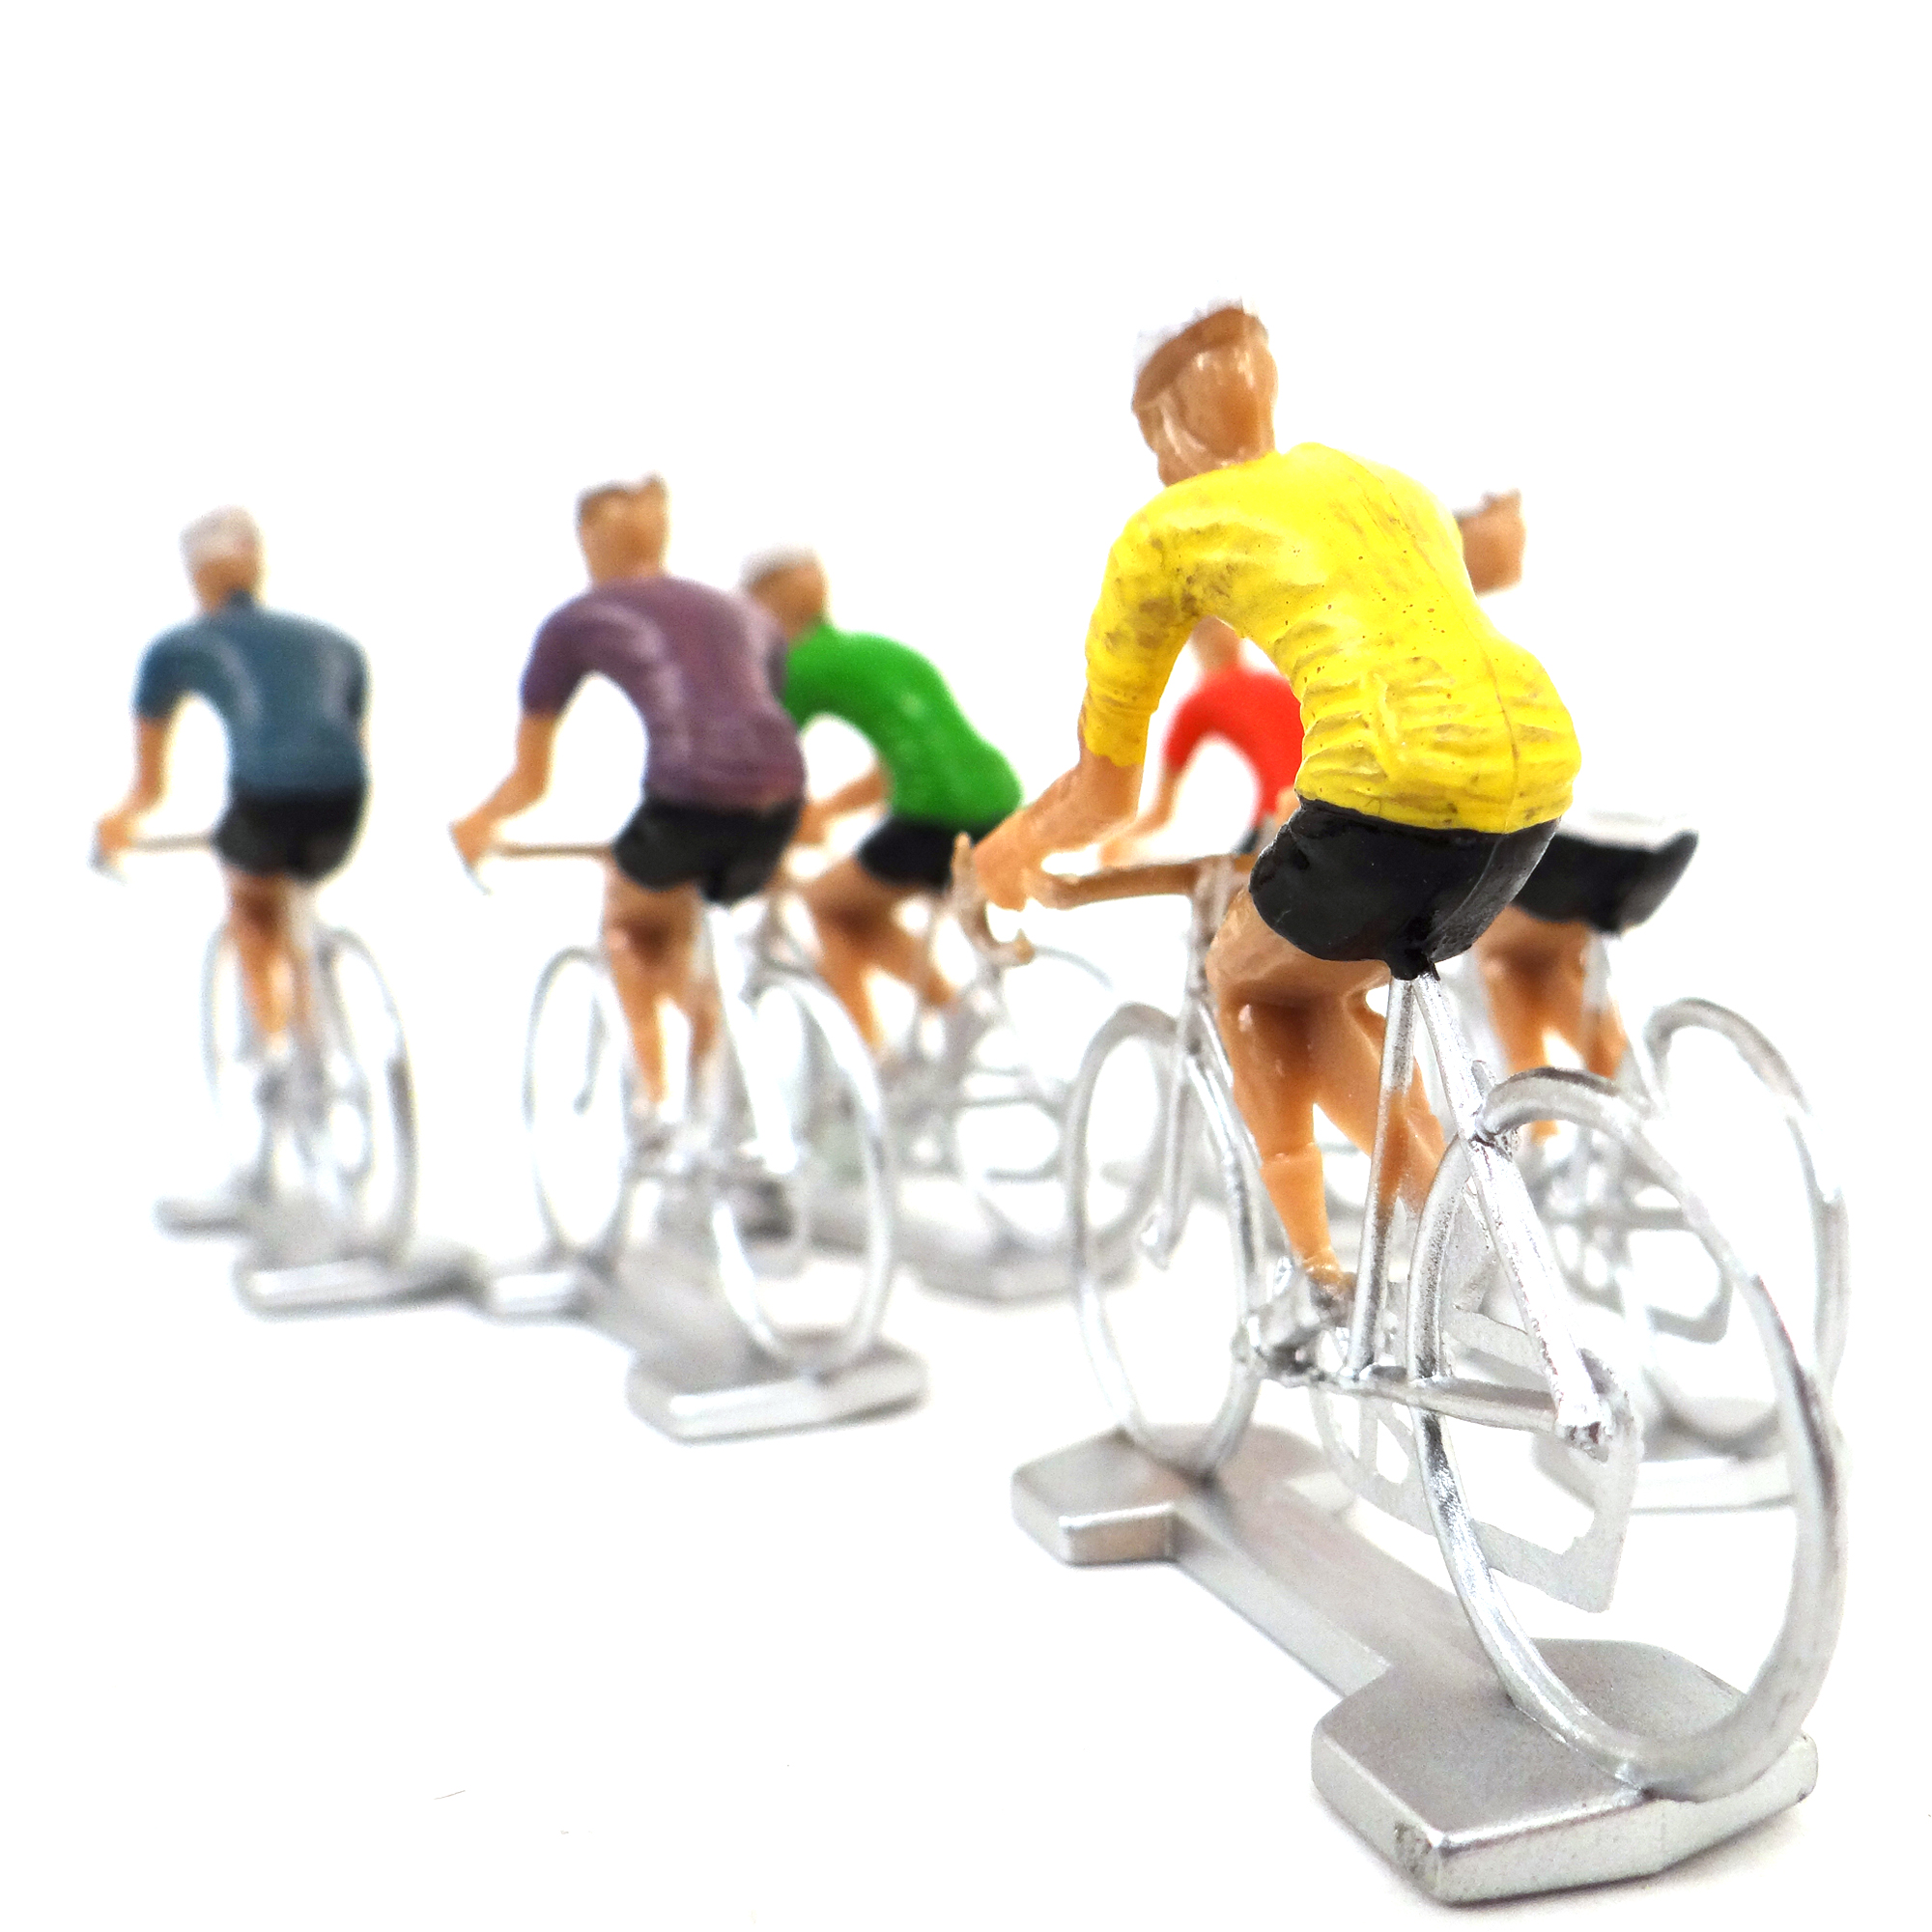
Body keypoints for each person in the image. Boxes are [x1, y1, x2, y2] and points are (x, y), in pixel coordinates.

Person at [974, 305, 1580, 1293]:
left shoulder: (1165, 531)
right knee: (1329, 973)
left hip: (1391, 785)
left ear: (1166, 423)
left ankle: (1388, 1259)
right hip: (1537, 776)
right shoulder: (1388, 484)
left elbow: (1103, 793)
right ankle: (1450, 1225)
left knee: (1255, 988)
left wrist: (1003, 856)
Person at [451, 478, 805, 1106]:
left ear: (587, 539)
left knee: (631, 928)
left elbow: (531, 780)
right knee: (681, 925)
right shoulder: (745, 613)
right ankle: (716, 1094)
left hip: (690, 797)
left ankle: (658, 1105)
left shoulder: (576, 623)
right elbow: (762, 722)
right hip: (783, 796)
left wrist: (478, 824)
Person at [1100, 495, 1525, 865]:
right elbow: (1162, 808)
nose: (1223, 634)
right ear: (1192, 642)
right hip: (1287, 818)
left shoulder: (1287, 680)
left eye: (1225, 621)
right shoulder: (1200, 704)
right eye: (1208, 628)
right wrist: (1121, 842)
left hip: (1337, 806)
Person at [95, 508, 369, 1046]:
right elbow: (347, 749)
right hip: (345, 801)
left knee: (251, 902)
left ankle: (278, 1047)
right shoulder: (337, 645)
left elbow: (149, 788)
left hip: (267, 802)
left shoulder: (176, 649)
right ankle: (316, 1026)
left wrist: (119, 823)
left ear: (195, 576)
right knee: (294, 893)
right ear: (258, 565)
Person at [742, 548, 1023, 1045]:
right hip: (999, 800)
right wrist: (827, 810)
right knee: (856, 908)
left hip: (933, 816)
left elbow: (767, 772)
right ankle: (955, 1012)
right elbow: (901, 764)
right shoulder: (880, 651)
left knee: (825, 906)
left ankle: (869, 1054)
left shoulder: (799, 666)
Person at [1474, 812, 1698, 1078]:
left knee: (1505, 957)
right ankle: (1623, 1079)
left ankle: (1532, 1087)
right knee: (1553, 961)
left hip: (1570, 846)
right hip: (1668, 851)